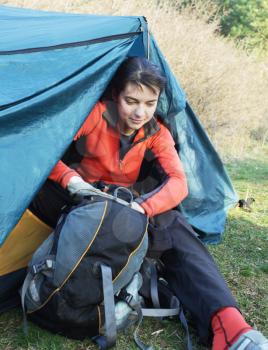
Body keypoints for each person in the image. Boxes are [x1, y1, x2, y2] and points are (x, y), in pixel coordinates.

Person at [29, 56, 267, 350]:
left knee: (175, 226)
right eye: (131, 101)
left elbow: (178, 183)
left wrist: (143, 207)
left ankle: (228, 325)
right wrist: (70, 179)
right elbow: (42, 151)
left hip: (126, 208)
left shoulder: (156, 132)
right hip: (77, 198)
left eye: (150, 103)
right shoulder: (95, 113)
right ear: (116, 94)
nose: (141, 112)